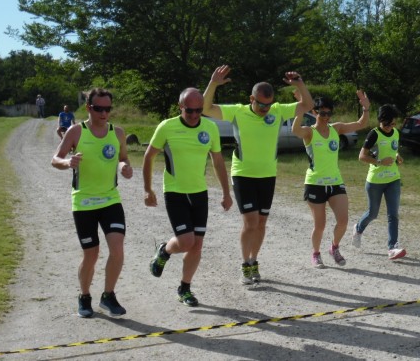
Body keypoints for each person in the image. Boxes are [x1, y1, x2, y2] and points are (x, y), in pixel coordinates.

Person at [202, 65, 313, 284]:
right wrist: (213, 83)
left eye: (268, 104)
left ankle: (254, 261)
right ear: (251, 98)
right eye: (262, 104)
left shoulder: (277, 110)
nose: (265, 109)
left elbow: (308, 105)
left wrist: (299, 83)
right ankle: (245, 264)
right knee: (250, 223)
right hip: (243, 174)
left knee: (262, 223)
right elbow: (206, 108)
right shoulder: (237, 111)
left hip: (267, 175)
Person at [144, 88, 233, 306]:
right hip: (175, 192)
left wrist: (226, 192)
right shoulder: (167, 126)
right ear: (180, 107)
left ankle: (185, 288)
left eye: (198, 111)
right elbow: (148, 157)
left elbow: (218, 161)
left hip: (199, 193)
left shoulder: (209, 127)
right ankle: (164, 250)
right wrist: (148, 189)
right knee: (186, 241)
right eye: (189, 110)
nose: (194, 115)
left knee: (197, 246)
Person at [50, 88, 133, 318]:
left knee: (117, 249)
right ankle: (84, 296)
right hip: (84, 202)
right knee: (91, 254)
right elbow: (55, 159)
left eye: (108, 108)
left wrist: (124, 167)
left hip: (110, 199)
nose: (104, 113)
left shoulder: (117, 133)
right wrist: (67, 162)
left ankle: (108, 295)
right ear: (89, 108)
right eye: (99, 109)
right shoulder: (77, 131)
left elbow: (123, 158)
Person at [292, 92, 370, 268]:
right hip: (314, 183)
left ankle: (334, 247)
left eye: (329, 113)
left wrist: (365, 107)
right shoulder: (309, 132)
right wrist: (300, 108)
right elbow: (295, 130)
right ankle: (316, 253)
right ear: (315, 112)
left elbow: (361, 124)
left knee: (343, 221)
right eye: (322, 113)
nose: (326, 117)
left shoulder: (337, 128)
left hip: (335, 182)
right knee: (320, 225)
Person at [352, 104, 407, 260]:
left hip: (393, 179)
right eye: (387, 124)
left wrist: (397, 156)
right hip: (375, 181)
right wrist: (380, 161)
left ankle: (393, 248)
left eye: (393, 123)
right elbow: (362, 156)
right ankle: (358, 228)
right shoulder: (374, 134)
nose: (390, 127)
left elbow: (393, 148)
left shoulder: (396, 132)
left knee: (393, 214)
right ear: (381, 121)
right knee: (373, 213)